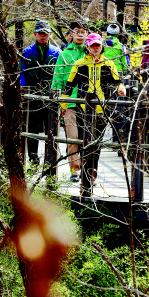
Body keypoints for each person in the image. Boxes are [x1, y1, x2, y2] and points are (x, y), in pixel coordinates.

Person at [62, 33, 126, 187]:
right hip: (84, 109)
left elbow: (118, 82)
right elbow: (69, 86)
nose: (95, 48)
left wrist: (121, 89)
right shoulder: (79, 64)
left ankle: (92, 174)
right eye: (92, 45)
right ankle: (85, 174)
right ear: (87, 47)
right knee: (85, 142)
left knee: (96, 143)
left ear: (102, 46)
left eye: (98, 45)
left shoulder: (109, 64)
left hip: (102, 110)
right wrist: (63, 105)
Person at [51, 21, 88, 181]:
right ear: (71, 33)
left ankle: (88, 169)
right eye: (77, 31)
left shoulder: (93, 51)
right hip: (70, 101)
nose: (80, 34)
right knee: (72, 137)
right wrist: (61, 104)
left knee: (88, 137)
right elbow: (57, 79)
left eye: (83, 31)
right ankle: (76, 170)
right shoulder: (65, 54)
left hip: (89, 102)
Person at [20, 20, 60, 164]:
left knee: (51, 127)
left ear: (50, 34)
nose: (43, 36)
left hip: (50, 94)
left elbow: (60, 73)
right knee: (32, 127)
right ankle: (33, 157)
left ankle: (50, 160)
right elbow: (22, 72)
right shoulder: (27, 52)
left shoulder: (56, 52)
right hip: (32, 94)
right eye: (41, 33)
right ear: (35, 34)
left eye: (46, 33)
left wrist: (57, 90)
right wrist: (23, 89)